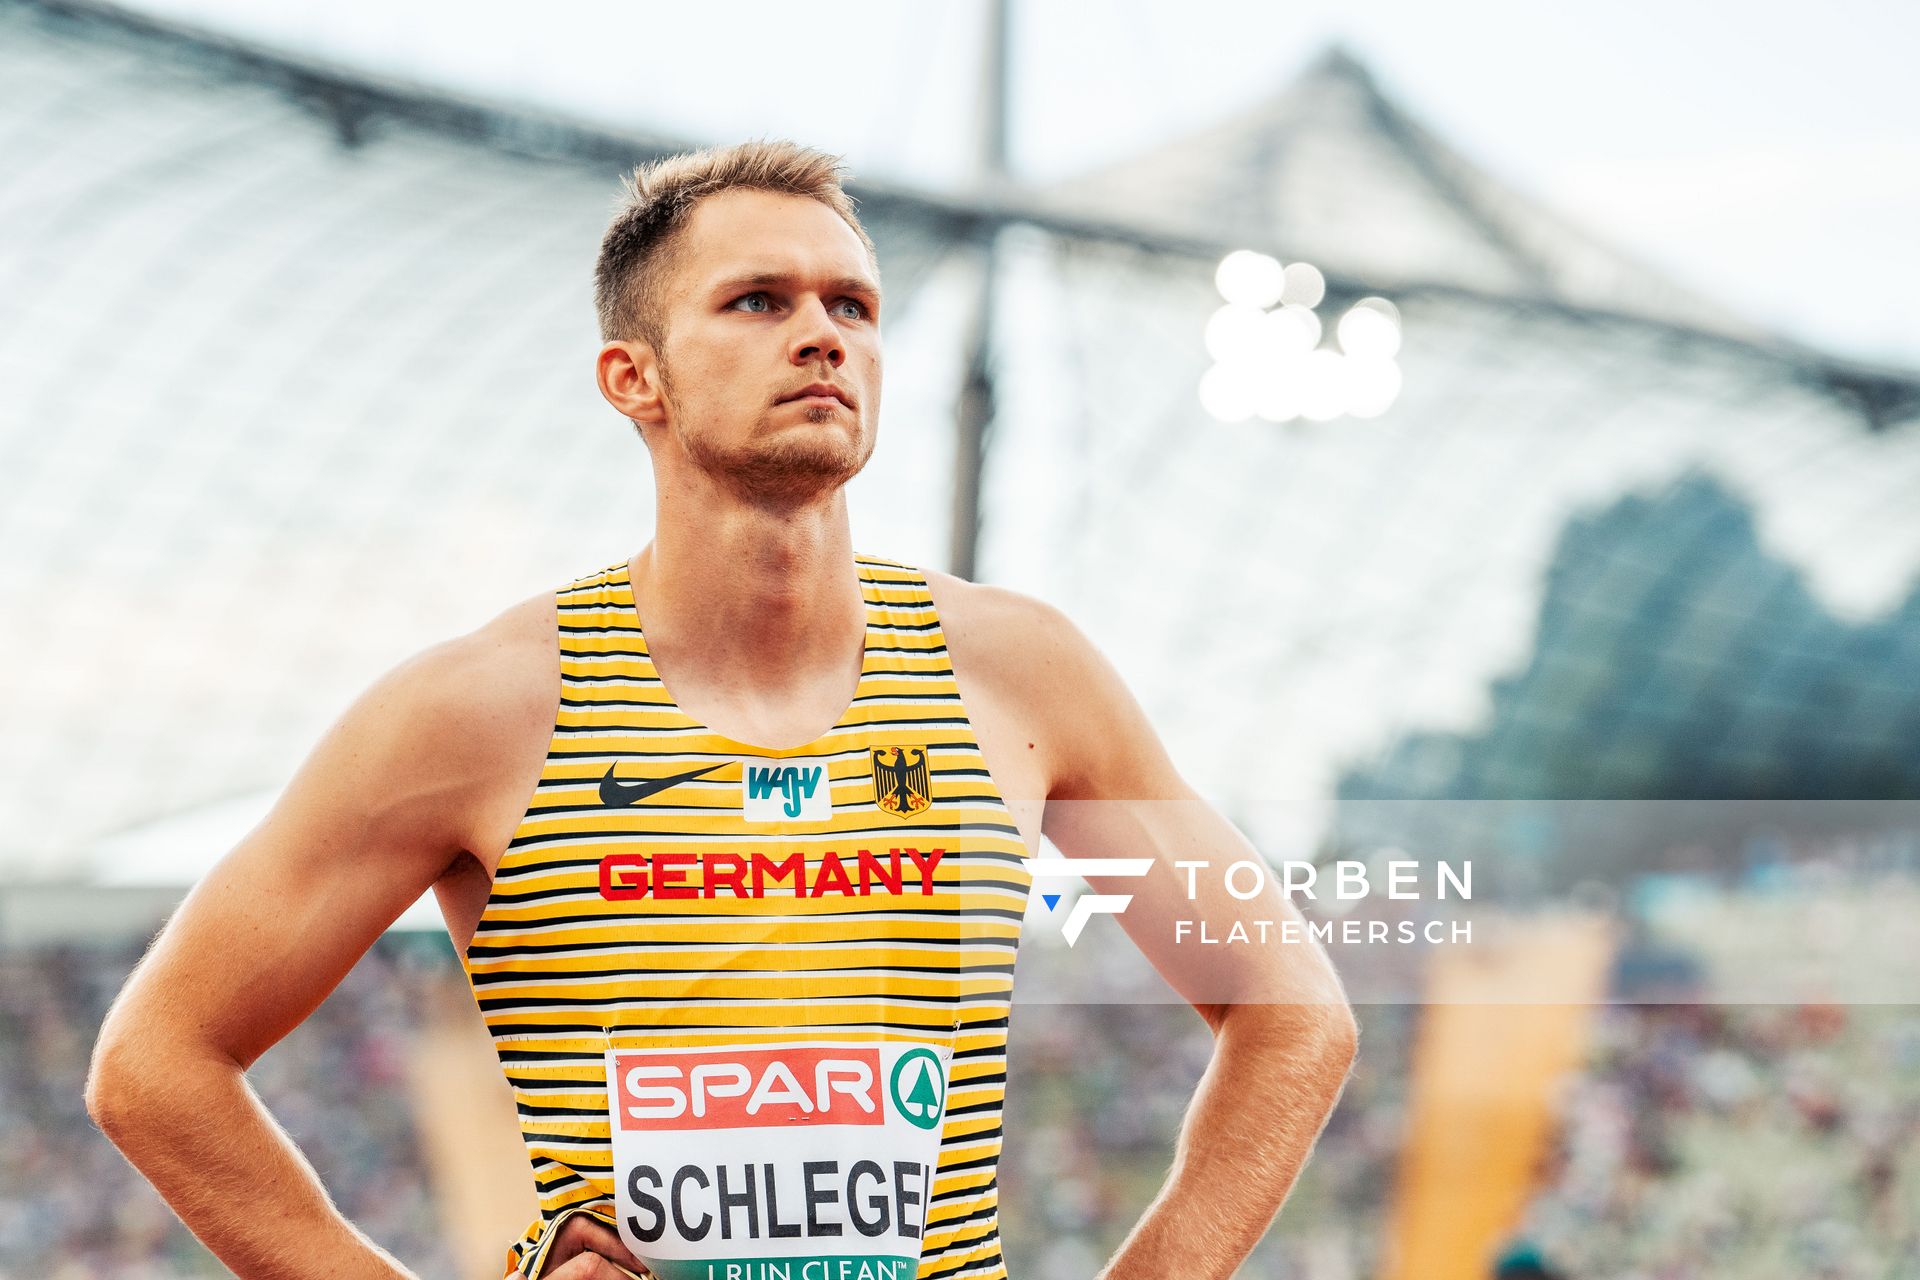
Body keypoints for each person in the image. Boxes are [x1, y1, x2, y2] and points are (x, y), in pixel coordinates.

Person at [86, 139, 1359, 1280]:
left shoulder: (1022, 675)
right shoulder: (478, 708)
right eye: (758, 301)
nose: (822, 335)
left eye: (851, 305)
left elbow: (1294, 1008)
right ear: (632, 376)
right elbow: (156, 1063)